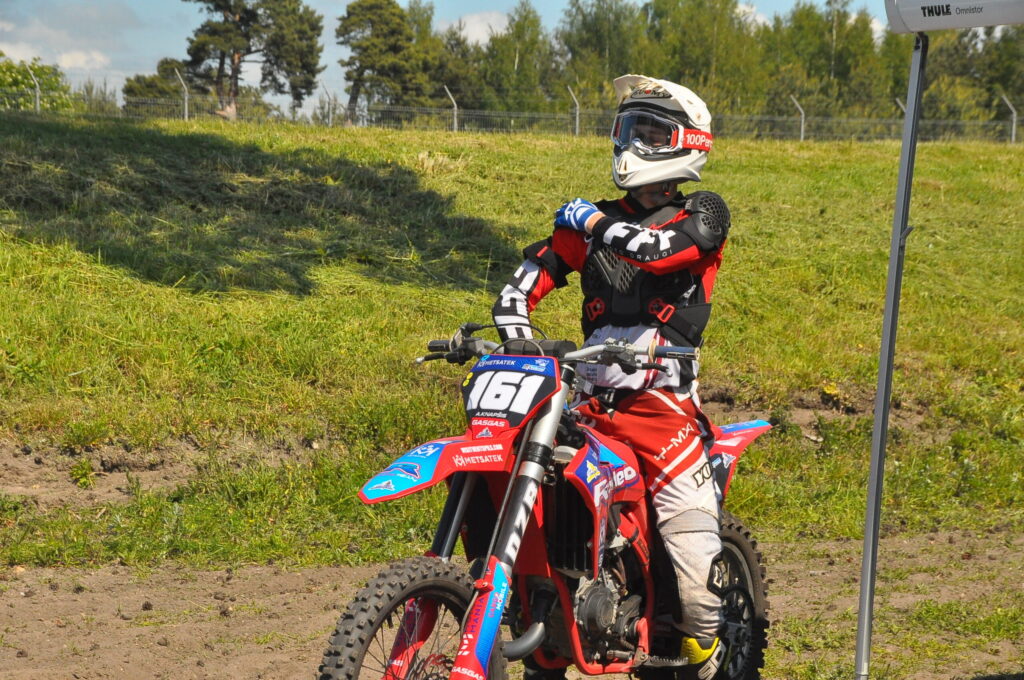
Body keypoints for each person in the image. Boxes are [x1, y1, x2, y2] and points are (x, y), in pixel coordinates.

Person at [492, 74, 731, 680]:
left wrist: (591, 224)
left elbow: (654, 251)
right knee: (533, 490)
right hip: (587, 403)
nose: (632, 143)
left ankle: (707, 658)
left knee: (697, 574)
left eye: (649, 132)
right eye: (628, 129)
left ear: (687, 142)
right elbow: (520, 288)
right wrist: (517, 334)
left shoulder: (703, 213)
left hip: (665, 413)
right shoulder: (589, 223)